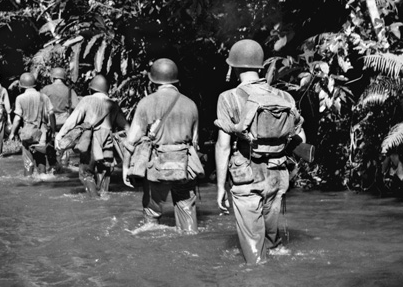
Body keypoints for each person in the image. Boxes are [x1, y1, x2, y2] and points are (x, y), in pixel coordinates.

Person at [214, 39, 305, 264]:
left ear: (233, 67)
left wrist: (220, 188)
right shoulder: (285, 98)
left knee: (253, 250)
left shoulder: (228, 98)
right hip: (278, 176)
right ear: (260, 66)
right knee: (272, 242)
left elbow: (223, 146)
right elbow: (301, 137)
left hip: (248, 177)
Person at [123, 59, 200, 233]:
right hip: (184, 167)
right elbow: (195, 142)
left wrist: (126, 167)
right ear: (176, 79)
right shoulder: (191, 104)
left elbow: (132, 140)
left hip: (156, 168)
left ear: (153, 80)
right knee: (187, 215)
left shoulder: (146, 103)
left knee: (152, 216)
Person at [56, 74, 129, 197]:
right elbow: (126, 127)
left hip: (90, 143)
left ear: (92, 89)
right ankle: (103, 200)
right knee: (104, 175)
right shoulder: (114, 104)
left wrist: (60, 135)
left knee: (86, 174)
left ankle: (94, 199)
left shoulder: (87, 100)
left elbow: (72, 120)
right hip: (107, 145)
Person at [9, 72, 55, 176]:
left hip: (27, 133)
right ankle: (43, 182)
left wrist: (12, 133)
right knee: (41, 161)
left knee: (28, 163)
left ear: (22, 86)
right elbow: (51, 114)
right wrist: (52, 131)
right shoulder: (44, 97)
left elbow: (17, 118)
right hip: (41, 134)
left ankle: (28, 184)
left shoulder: (20, 98)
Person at [41, 67, 79, 171]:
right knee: (64, 147)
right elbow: (76, 107)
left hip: (50, 122)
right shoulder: (70, 90)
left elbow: (41, 106)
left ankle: (53, 166)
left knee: (49, 145)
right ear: (63, 78)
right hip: (65, 123)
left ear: (52, 77)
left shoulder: (46, 89)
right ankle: (64, 168)